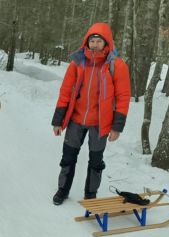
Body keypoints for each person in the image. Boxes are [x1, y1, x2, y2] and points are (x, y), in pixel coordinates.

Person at [51, 22, 131, 205]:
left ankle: (90, 194)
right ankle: (63, 189)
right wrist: (58, 121)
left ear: (106, 43)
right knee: (68, 157)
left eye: (98, 41)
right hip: (76, 120)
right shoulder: (77, 63)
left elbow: (123, 97)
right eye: (92, 41)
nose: (95, 45)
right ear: (86, 42)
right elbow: (65, 91)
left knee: (96, 161)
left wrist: (117, 127)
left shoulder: (116, 66)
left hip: (100, 124)